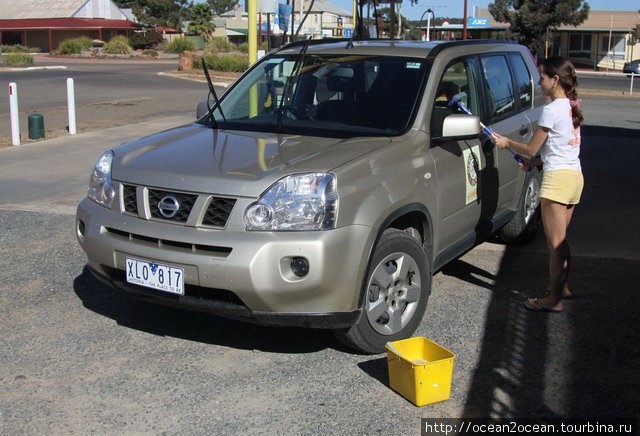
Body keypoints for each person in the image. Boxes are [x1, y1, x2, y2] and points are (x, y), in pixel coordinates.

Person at [493, 56, 584, 313]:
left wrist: (507, 143)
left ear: (555, 80)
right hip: (574, 177)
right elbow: (558, 147)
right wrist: (534, 165)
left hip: (557, 181)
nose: (539, 82)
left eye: (542, 77)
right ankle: (562, 289)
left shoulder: (551, 109)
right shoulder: (570, 105)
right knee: (561, 241)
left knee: (555, 244)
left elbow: (533, 147)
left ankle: (553, 301)